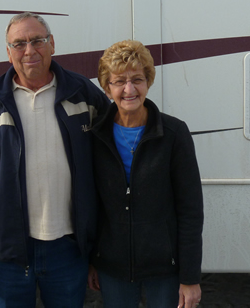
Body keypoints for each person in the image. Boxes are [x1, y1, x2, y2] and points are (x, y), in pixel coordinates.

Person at [0, 12, 110, 307]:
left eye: (37, 40)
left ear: (53, 44)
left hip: (69, 249)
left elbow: (109, 170)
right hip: (9, 252)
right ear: (8, 53)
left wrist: (100, 248)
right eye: (19, 44)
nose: (29, 51)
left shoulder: (84, 96)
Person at [87, 40, 204, 308]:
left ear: (148, 82)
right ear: (107, 88)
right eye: (119, 82)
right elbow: (91, 206)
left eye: (137, 79)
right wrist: (93, 259)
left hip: (165, 268)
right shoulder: (95, 136)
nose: (129, 89)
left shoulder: (174, 134)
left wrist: (190, 277)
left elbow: (190, 210)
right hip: (112, 268)